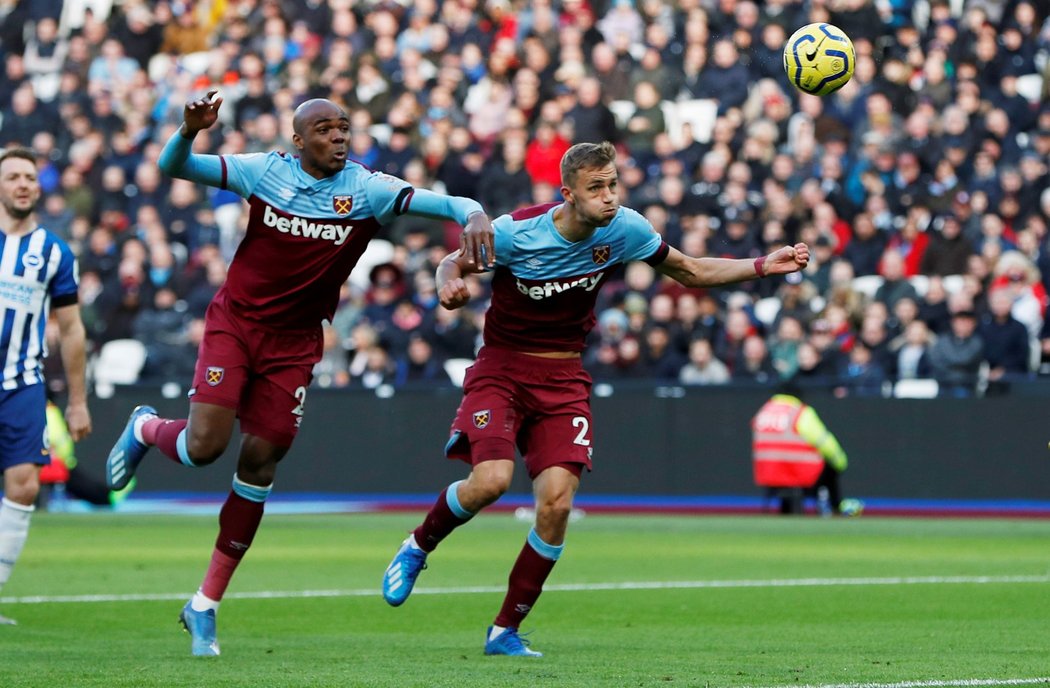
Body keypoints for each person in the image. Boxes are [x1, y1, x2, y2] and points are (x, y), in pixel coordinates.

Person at [380, 141, 809, 657]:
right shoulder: (518, 233)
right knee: (491, 482)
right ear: (568, 194)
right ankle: (418, 545)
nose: (609, 197)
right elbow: (453, 263)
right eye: (596, 188)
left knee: (557, 504)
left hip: (563, 378)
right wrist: (448, 285)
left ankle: (504, 631)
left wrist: (763, 264)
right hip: (503, 369)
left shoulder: (624, 228)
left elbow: (692, 271)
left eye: (613, 185)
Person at [104, 92, 493, 656]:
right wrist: (188, 132)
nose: (339, 137)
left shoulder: (366, 189)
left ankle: (205, 605)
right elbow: (173, 167)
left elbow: (450, 205)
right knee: (205, 447)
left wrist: (474, 213)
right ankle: (145, 429)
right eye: (326, 130)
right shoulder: (263, 172)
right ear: (298, 139)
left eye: (344, 128)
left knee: (260, 461)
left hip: (295, 346)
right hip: (236, 325)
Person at [0, 148, 91, 625]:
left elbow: (72, 329)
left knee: (23, 485)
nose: (21, 184)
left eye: (29, 177)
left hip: (21, 382)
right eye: (12, 176)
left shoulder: (54, 252)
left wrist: (77, 401)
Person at [751, 381, 863, 517]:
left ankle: (786, 510)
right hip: (797, 473)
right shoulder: (799, 412)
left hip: (768, 473)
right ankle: (835, 509)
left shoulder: (764, 412)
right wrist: (840, 462)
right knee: (831, 469)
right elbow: (823, 441)